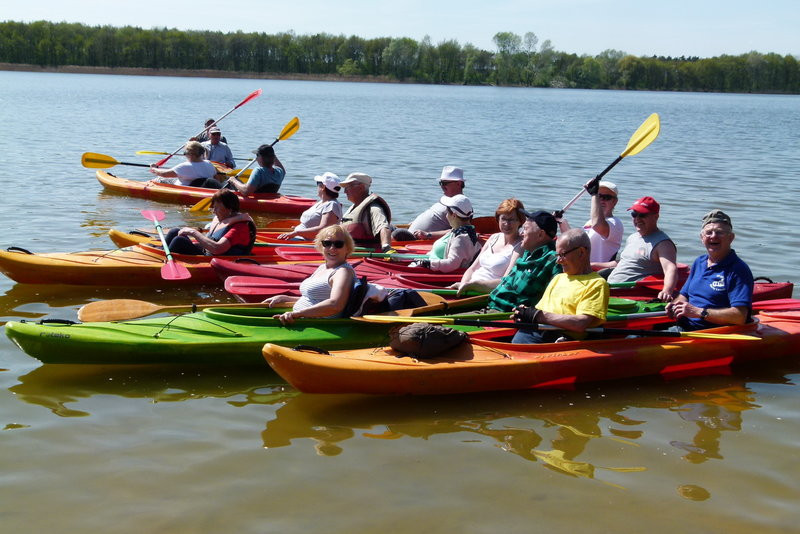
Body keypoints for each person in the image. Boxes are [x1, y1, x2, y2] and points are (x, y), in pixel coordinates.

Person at [511, 228, 610, 344]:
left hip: (558, 341)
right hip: (533, 334)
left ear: (581, 252)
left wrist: (537, 316)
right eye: (557, 255)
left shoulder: (596, 284)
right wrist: (525, 315)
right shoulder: (558, 278)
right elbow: (541, 311)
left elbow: (581, 323)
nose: (558, 261)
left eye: (562, 255)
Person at [665, 210, 753, 331]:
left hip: (707, 333)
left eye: (719, 232)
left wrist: (699, 312)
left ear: (731, 238)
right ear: (702, 238)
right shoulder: (699, 262)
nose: (713, 236)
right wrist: (675, 305)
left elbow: (740, 316)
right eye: (708, 233)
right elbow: (684, 295)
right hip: (682, 325)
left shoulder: (738, 270)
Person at [263, 225, 356, 325]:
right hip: (302, 320)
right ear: (321, 246)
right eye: (327, 243)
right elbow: (314, 299)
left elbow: (335, 305)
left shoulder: (342, 272)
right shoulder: (323, 267)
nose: (332, 248)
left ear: (347, 248)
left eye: (338, 244)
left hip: (319, 325)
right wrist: (286, 298)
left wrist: (297, 314)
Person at [486, 210, 562, 312]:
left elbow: (553, 300)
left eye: (525, 229)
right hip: (489, 306)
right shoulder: (527, 253)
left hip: (505, 316)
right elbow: (504, 283)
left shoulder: (553, 260)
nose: (521, 233)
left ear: (540, 234)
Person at [607, 196, 679, 302]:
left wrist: (667, 291)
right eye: (634, 214)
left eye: (642, 215)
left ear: (656, 217)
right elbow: (623, 262)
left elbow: (670, 269)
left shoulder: (663, 244)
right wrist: (592, 264)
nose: (637, 219)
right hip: (609, 288)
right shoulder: (632, 237)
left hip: (628, 295)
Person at [450, 198, 525, 294]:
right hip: (468, 287)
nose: (506, 224)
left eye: (511, 220)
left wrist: (474, 285)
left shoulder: (521, 246)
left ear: (520, 221)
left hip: (486, 292)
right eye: (503, 219)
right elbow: (472, 268)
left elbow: (506, 281)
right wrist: (463, 284)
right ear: (498, 219)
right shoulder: (493, 238)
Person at [164, 189, 255, 255]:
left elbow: (217, 248)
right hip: (207, 253)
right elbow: (208, 242)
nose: (214, 211)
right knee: (174, 232)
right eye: (213, 207)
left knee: (179, 241)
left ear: (229, 209)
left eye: (217, 208)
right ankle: (161, 253)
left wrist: (193, 232)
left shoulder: (240, 227)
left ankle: (164, 260)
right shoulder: (221, 219)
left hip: (218, 261)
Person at [559, 179, 623, 269]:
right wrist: (561, 221)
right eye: (599, 196)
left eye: (606, 197)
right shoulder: (590, 222)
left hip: (598, 273)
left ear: (614, 202)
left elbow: (597, 225)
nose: (601, 200)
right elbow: (573, 242)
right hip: (582, 270)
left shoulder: (615, 223)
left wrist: (594, 194)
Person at [392, 165, 469, 241]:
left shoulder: (462, 205)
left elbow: (460, 230)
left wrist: (428, 235)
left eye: (445, 183)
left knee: (397, 233)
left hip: (415, 239)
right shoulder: (445, 198)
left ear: (458, 184)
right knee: (387, 225)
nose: (442, 186)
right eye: (440, 183)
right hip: (409, 231)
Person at [411, 194, 483, 273]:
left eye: (447, 213)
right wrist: (428, 235)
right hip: (429, 262)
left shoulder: (461, 238)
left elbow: (452, 264)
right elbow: (450, 232)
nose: (446, 216)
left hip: (434, 272)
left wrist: (425, 264)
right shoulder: (463, 231)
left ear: (454, 215)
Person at [277, 172, 343, 240]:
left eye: (318, 183)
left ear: (323, 187)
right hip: (300, 236)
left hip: (305, 241)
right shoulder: (322, 202)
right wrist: (299, 228)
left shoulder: (331, 205)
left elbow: (324, 230)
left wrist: (297, 233)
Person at [339, 172, 393, 251]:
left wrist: (386, 247)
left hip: (365, 254)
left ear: (361, 188)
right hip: (346, 251)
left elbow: (383, 228)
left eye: (347, 187)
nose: (345, 191)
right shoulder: (353, 207)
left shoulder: (374, 208)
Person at [149, 141, 219, 188]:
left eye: (185, 153)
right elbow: (216, 178)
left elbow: (164, 174)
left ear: (190, 154)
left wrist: (154, 168)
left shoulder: (185, 166)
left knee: (160, 179)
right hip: (200, 187)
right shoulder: (209, 164)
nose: (185, 155)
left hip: (184, 188)